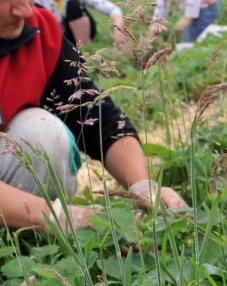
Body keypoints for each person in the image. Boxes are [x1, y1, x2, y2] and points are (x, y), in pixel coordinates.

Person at [0, 0, 187, 231]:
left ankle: (25, 233)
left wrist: (142, 186)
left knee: (43, 132)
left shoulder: (40, 29)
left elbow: (96, 117)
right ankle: (37, 228)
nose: (25, 10)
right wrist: (58, 217)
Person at [34, 0, 125, 46]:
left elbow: (114, 10)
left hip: (82, 31)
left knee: (73, 5)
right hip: (55, 37)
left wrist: (118, 31)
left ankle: (85, 49)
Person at [153, 0, 220, 43]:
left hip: (206, 7)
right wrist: (157, 23)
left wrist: (188, 18)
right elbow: (162, 3)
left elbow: (193, 3)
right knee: (188, 43)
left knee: (189, 45)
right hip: (193, 7)